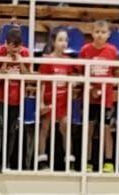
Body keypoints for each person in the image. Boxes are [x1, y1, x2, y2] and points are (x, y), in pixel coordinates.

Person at [79, 18, 119, 171]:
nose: (99, 35)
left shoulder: (112, 51)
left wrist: (109, 86)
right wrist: (91, 88)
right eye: (97, 32)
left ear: (108, 34)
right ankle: (87, 162)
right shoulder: (85, 50)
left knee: (106, 129)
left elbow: (116, 72)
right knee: (89, 129)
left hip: (106, 97)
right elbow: (81, 73)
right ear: (92, 33)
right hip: (89, 96)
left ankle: (109, 161)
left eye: (103, 32)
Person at [37, 24, 81, 171]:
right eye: (60, 40)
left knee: (65, 128)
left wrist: (74, 81)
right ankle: (41, 160)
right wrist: (41, 102)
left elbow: (76, 75)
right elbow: (42, 83)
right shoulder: (47, 60)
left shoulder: (68, 61)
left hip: (64, 100)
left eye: (66, 40)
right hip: (50, 99)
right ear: (54, 42)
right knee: (45, 128)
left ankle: (69, 160)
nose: (64, 43)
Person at [0, 25, 33, 170]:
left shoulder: (25, 53)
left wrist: (20, 62)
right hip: (0, 97)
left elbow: (29, 78)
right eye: (11, 48)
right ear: (6, 43)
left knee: (11, 130)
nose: (14, 52)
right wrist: (3, 67)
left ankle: (6, 161)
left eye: (17, 49)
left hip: (16, 98)